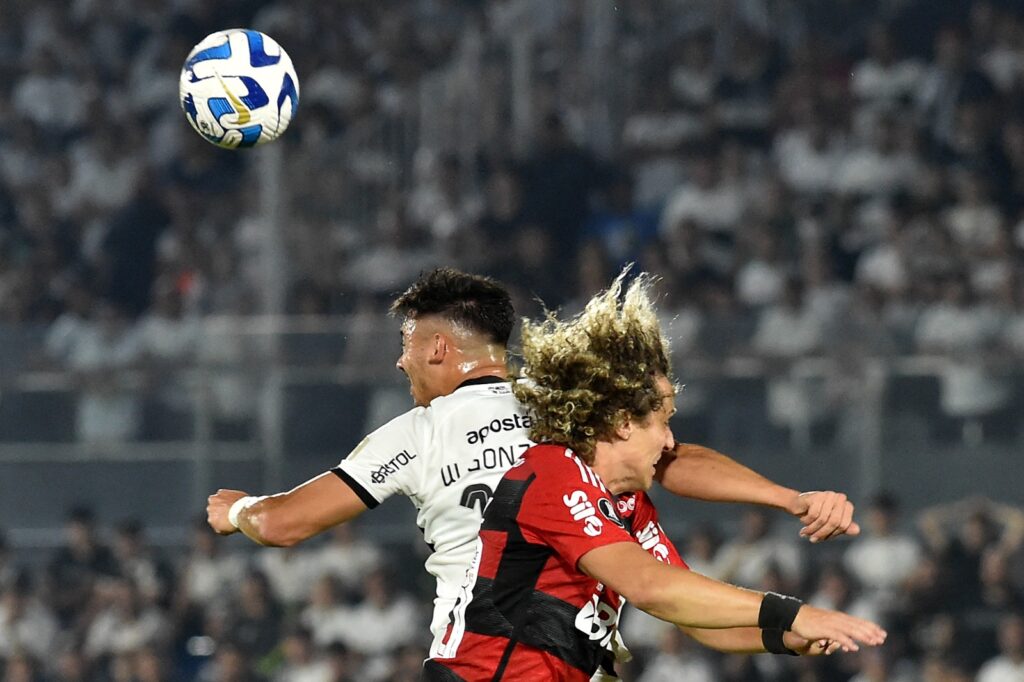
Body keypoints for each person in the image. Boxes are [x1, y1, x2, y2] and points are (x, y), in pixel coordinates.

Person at [206, 268, 860, 660]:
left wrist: (235, 511)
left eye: (405, 346)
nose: (399, 362)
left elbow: (284, 524)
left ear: (438, 347)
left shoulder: (416, 434)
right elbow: (673, 461)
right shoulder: (570, 415)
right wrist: (787, 500)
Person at [425, 271, 885, 680]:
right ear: (623, 422)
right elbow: (652, 589)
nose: (669, 440)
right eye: (663, 421)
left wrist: (785, 637)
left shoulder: (627, 505)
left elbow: (693, 616)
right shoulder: (552, 473)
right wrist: (794, 612)